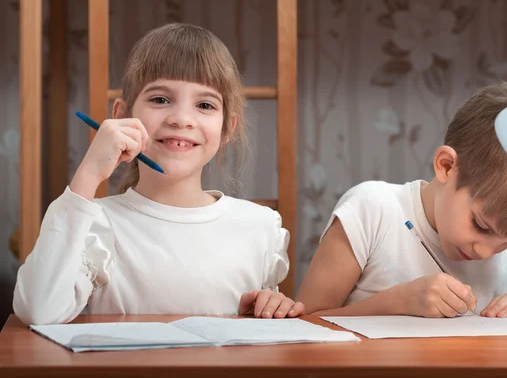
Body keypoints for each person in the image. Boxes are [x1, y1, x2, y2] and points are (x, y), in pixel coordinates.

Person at [13, 23, 304, 325]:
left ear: (227, 128)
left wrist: (273, 307)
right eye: (160, 99)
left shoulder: (259, 226)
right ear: (122, 116)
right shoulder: (94, 224)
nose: (181, 119)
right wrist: (87, 176)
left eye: (204, 105)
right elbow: (38, 309)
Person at [297, 81, 507, 319]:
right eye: (481, 226)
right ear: (447, 166)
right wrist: (398, 302)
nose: (486, 252)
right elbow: (305, 328)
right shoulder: (371, 211)